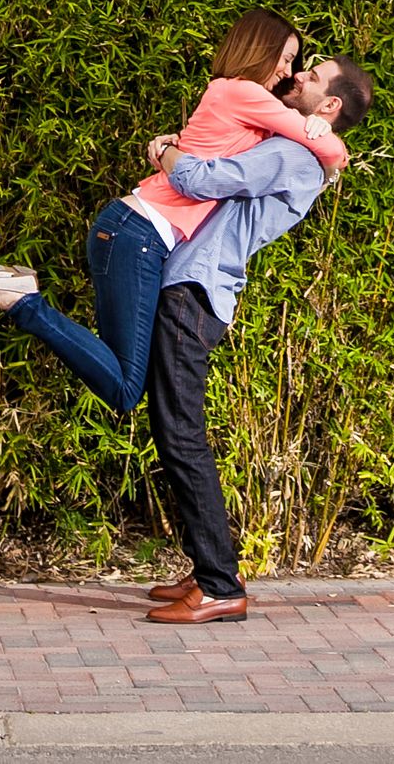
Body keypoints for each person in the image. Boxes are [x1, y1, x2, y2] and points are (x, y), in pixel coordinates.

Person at [0, 9, 347, 414]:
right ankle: (24, 300)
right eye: (285, 57)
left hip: (132, 231)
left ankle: (21, 294)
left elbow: (212, 157)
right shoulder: (246, 94)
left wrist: (169, 148)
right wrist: (326, 138)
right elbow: (333, 154)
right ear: (259, 49)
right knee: (124, 390)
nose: (288, 70)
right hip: (140, 233)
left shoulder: (234, 95)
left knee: (123, 380)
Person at [139, 55, 376, 624]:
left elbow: (202, 178)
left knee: (180, 436)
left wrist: (163, 151)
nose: (297, 77)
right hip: (193, 289)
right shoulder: (295, 143)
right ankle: (210, 569)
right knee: (176, 433)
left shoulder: (292, 154)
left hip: (194, 294)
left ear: (331, 105)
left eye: (311, 76)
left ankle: (220, 586)